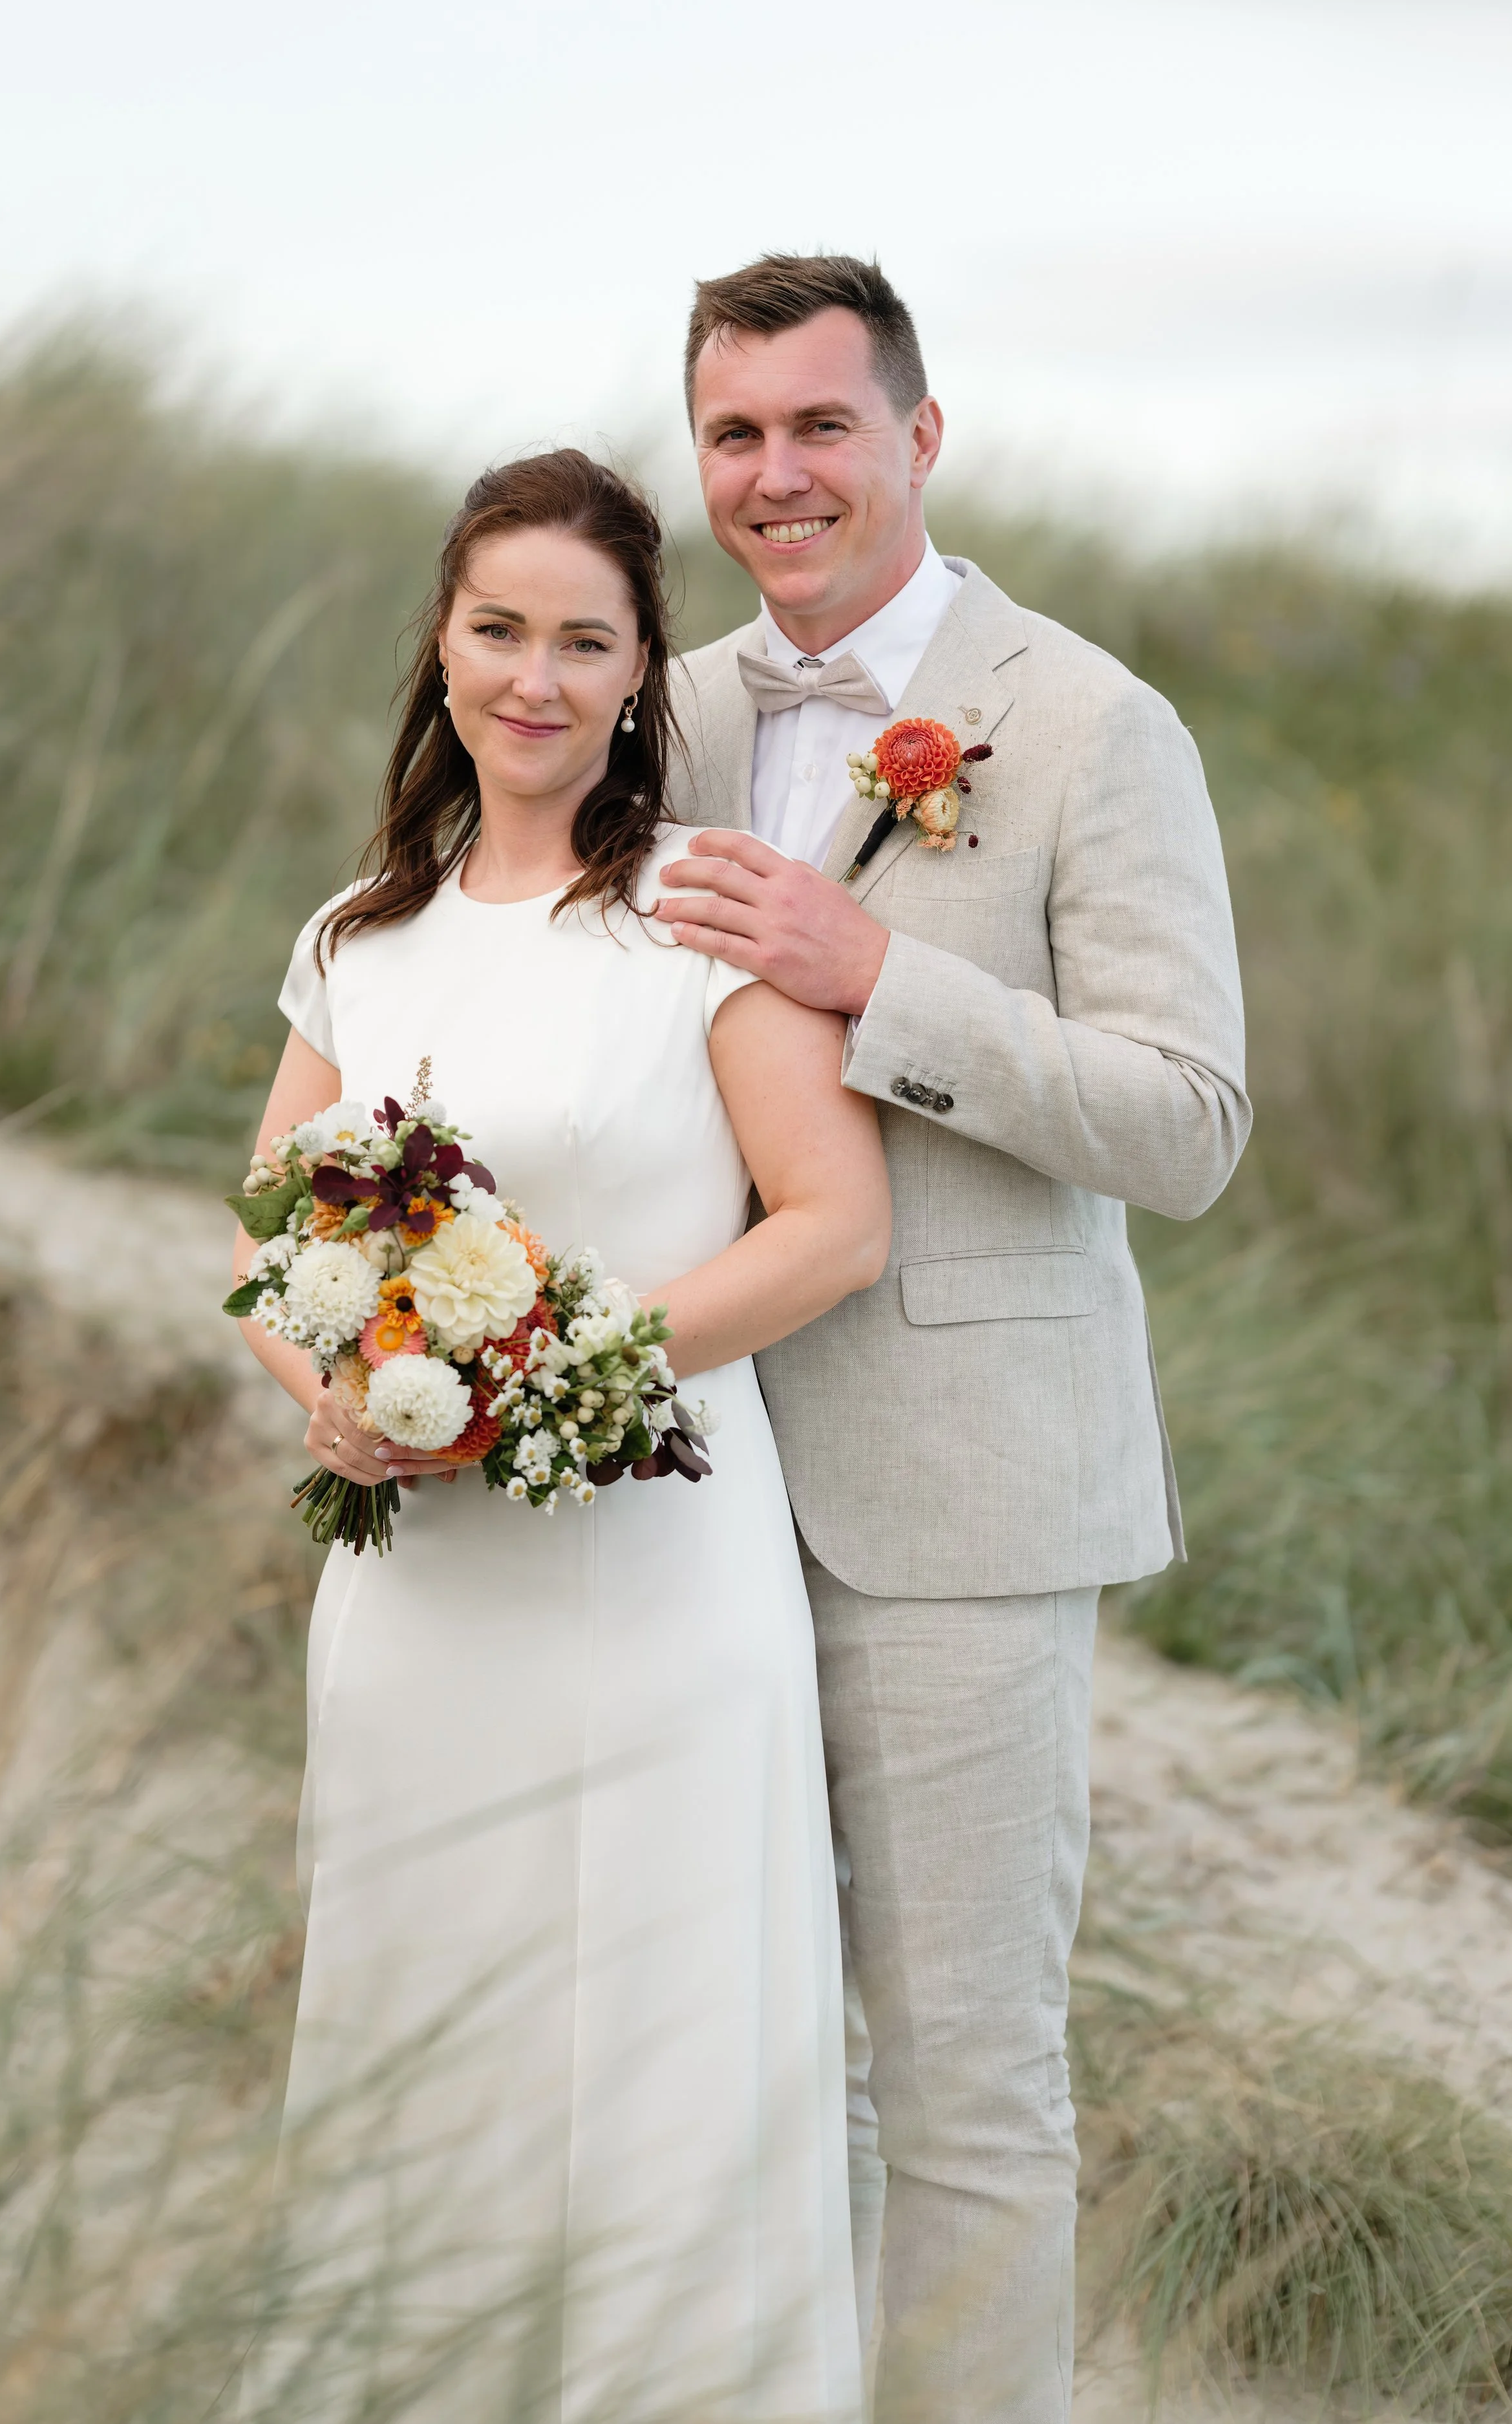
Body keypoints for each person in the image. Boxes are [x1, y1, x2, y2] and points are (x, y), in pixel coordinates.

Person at [233, 450, 889, 2421]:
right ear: (442, 645)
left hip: (653, 1582)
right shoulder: (362, 936)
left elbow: (832, 1228)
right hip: (425, 1595)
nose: (534, 675)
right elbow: (271, 1232)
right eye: (499, 628)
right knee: (425, 2011)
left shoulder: (695, 919)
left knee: (656, 2038)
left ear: (637, 674)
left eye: (582, 640)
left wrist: (568, 1374)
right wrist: (337, 1405)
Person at [657, 254, 1251, 2424]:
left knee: (967, 2088)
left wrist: (873, 979)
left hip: (972, 1490)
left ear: (918, 436)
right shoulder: (675, 708)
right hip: (689, 1483)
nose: (778, 474)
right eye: (735, 433)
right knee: (736, 2055)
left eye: (821, 426)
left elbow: (1187, 1123)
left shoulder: (1092, 720)